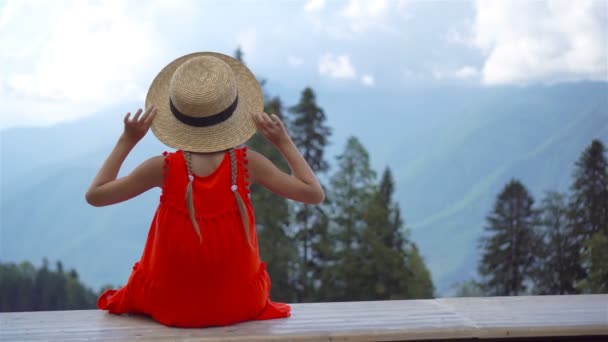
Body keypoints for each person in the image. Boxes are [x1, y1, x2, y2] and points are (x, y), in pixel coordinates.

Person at [85, 52, 325, 328]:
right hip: (242, 302)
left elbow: (96, 195)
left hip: (171, 305)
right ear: (233, 114)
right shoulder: (248, 165)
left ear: (177, 118)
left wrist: (127, 140)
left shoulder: (162, 168)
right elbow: (313, 193)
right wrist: (283, 142)